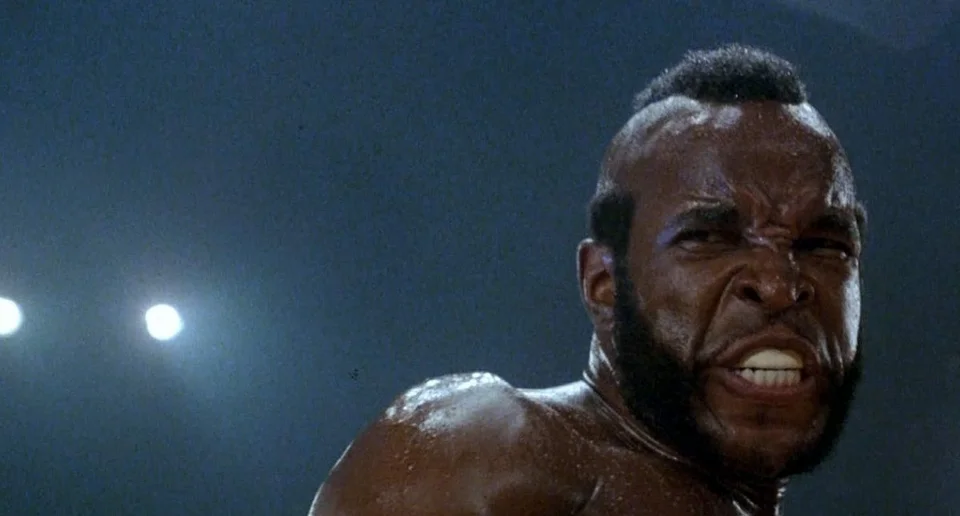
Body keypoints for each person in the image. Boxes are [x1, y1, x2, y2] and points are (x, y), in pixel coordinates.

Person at [308, 44, 866, 516]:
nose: (780, 284)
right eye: (709, 238)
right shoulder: (486, 453)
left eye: (825, 245)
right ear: (603, 283)